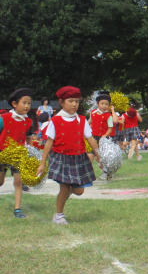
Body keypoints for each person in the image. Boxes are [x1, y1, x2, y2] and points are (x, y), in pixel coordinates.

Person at [37, 86, 100, 225]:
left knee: (79, 191)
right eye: (70, 101)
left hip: (78, 158)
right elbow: (49, 143)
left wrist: (99, 155)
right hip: (61, 158)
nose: (74, 104)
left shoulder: (82, 120)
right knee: (64, 188)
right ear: (61, 102)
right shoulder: (55, 121)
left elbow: (90, 138)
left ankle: (65, 196)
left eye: (76, 101)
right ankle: (59, 215)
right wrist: (42, 163)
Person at [0, 89, 35, 218]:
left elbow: (29, 139)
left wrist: (31, 153)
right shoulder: (3, 118)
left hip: (18, 155)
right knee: (0, 181)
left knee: (18, 182)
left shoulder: (28, 122)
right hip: (2, 153)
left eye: (29, 103)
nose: (27, 106)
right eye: (24, 102)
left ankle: (17, 209)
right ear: (14, 104)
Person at [88, 94, 114, 179]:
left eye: (106, 104)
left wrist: (105, 135)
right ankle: (88, 174)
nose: (104, 106)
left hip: (103, 139)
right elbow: (89, 122)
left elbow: (110, 128)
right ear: (97, 103)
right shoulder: (93, 113)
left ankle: (106, 171)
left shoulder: (108, 116)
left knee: (102, 157)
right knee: (90, 155)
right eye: (102, 103)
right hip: (92, 137)